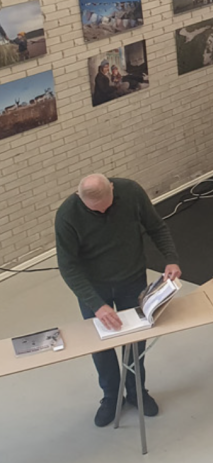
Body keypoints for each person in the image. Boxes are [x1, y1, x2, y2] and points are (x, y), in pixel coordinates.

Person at [55, 174, 182, 427]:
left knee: (136, 339)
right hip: (94, 287)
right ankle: (111, 397)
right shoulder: (67, 215)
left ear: (112, 189)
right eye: (96, 210)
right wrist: (96, 304)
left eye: (108, 206)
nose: (103, 212)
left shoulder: (132, 192)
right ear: (80, 197)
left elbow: (157, 227)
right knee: (101, 344)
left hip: (131, 279)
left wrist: (171, 257)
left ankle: (137, 392)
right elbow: (68, 266)